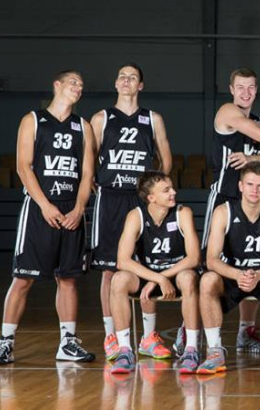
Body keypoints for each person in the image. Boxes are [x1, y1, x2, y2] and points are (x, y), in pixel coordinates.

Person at [0, 70, 96, 365]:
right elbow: (23, 167)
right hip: (40, 207)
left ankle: (67, 342)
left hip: (70, 208)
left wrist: (79, 209)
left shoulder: (83, 126)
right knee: (23, 278)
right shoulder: (33, 120)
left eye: (81, 84)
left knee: (67, 279)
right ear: (57, 85)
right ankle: (5, 342)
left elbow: (87, 173)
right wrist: (44, 205)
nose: (78, 87)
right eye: (72, 82)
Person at [201, 67, 260, 356]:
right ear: (231, 89)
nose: (245, 92)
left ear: (256, 89)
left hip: (253, 193)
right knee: (209, 267)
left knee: (252, 260)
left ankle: (245, 332)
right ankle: (185, 333)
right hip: (225, 194)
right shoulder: (228, 111)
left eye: (251, 87)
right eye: (240, 87)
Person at [89, 63, 174, 361]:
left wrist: (154, 193)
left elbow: (165, 158)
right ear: (116, 83)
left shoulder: (153, 119)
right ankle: (111, 335)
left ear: (141, 86)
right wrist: (91, 184)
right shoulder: (101, 118)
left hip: (140, 200)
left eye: (133, 77)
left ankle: (149, 337)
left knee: (147, 262)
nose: (126, 81)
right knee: (110, 270)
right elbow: (89, 159)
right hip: (110, 197)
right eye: (122, 76)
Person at [198, 162, 260, 374]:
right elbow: (211, 259)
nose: (255, 190)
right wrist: (238, 274)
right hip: (234, 276)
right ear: (240, 186)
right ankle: (215, 350)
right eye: (250, 184)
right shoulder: (223, 211)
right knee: (207, 280)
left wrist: (259, 275)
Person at [108, 171, 201, 374]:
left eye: (172, 188)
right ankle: (125, 350)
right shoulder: (136, 216)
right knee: (118, 279)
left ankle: (192, 349)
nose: (173, 193)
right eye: (166, 190)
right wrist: (157, 278)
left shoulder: (183, 212)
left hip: (177, 273)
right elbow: (122, 260)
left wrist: (163, 276)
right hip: (151, 275)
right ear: (151, 197)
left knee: (188, 278)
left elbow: (193, 258)